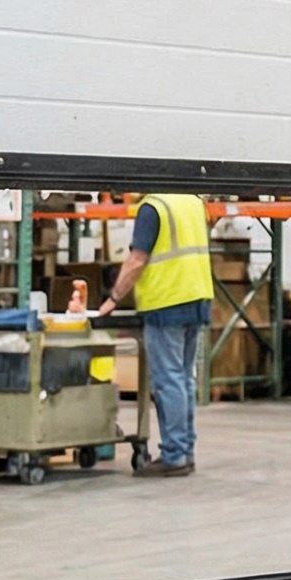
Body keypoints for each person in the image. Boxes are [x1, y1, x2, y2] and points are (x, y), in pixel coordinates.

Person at [99, 192, 215, 476]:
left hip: (167, 301)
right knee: (184, 378)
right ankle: (184, 451)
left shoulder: (152, 208)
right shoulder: (192, 201)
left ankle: (175, 454)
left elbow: (137, 260)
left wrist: (113, 297)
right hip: (197, 295)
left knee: (169, 380)